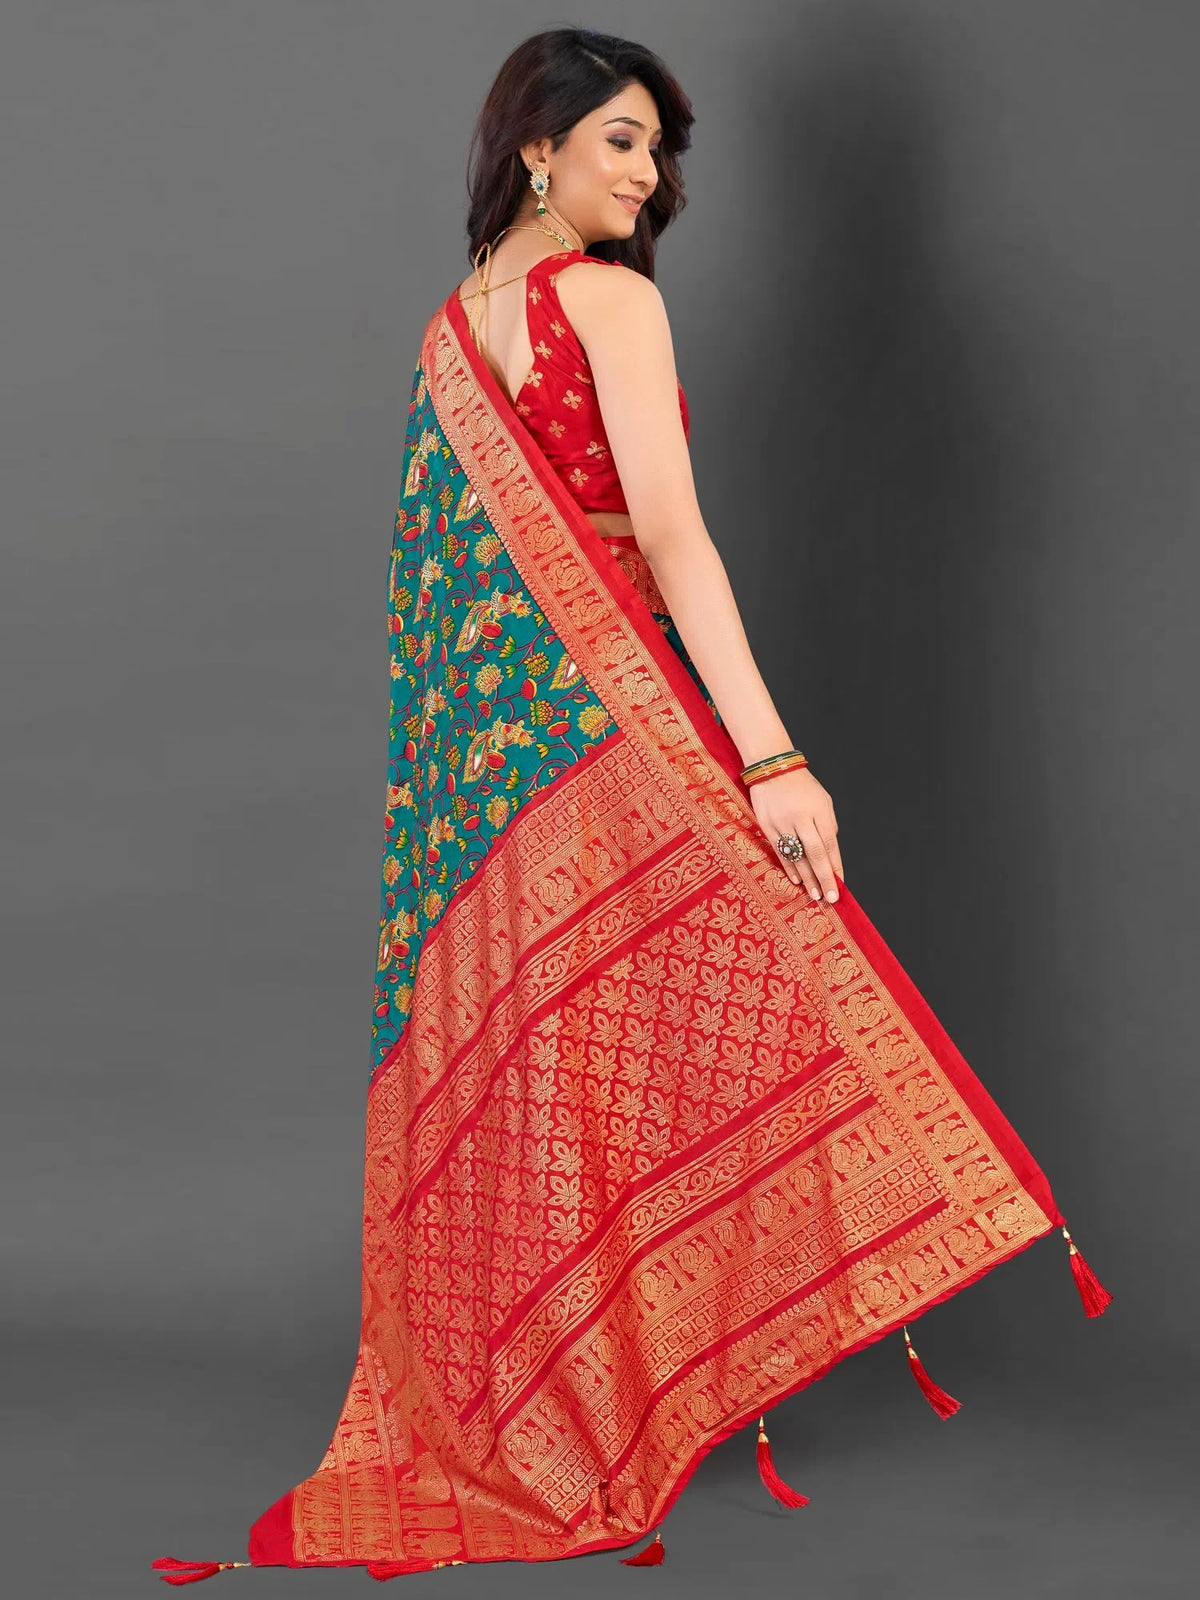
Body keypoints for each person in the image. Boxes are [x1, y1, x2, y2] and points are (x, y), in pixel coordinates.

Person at [153, 25, 1109, 1589]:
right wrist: (774, 763)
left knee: (563, 1062)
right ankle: (599, 1410)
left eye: (658, 150)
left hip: (490, 782)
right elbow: (669, 537)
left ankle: (557, 1407)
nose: (648, 176)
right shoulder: (608, 301)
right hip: (607, 741)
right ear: (536, 147)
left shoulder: (453, 325)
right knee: (679, 1033)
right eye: (619, 140)